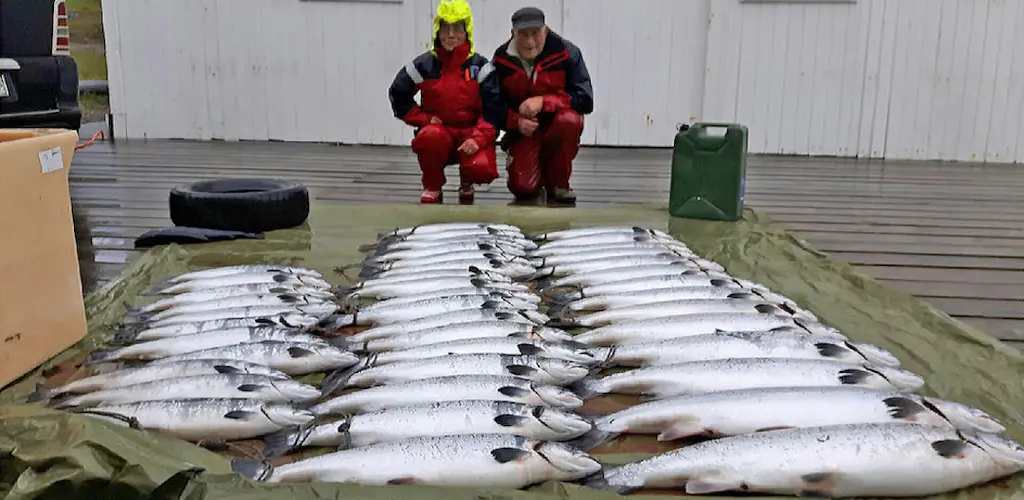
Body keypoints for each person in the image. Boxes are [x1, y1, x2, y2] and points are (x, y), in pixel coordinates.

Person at [387, 0, 499, 204]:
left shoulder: (481, 67)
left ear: (467, 31)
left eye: (457, 28)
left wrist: (478, 139)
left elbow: (494, 109)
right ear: (437, 30)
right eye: (445, 28)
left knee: (481, 166)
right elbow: (398, 93)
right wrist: (424, 119)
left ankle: (468, 180)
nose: (450, 34)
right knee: (428, 137)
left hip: (471, 133)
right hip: (440, 132)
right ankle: (433, 185)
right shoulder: (423, 65)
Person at [481, 6, 594, 204]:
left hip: (556, 126)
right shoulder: (500, 59)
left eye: (535, 33)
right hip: (523, 134)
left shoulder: (567, 53)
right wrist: (517, 122)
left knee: (570, 120)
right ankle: (533, 172)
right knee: (523, 188)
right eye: (523, 35)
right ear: (512, 34)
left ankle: (559, 183)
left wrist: (544, 102)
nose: (530, 41)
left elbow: (585, 99)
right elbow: (492, 106)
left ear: (546, 30)